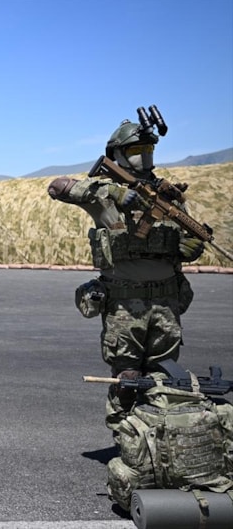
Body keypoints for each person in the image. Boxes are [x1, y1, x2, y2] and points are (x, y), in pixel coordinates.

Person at [47, 111, 205, 435]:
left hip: (166, 301)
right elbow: (56, 187)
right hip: (124, 306)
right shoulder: (106, 195)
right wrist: (112, 192)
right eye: (136, 151)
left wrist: (190, 247)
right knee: (128, 379)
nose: (144, 157)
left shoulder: (168, 196)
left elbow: (184, 239)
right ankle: (127, 441)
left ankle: (160, 443)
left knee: (167, 377)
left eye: (149, 150)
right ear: (116, 154)